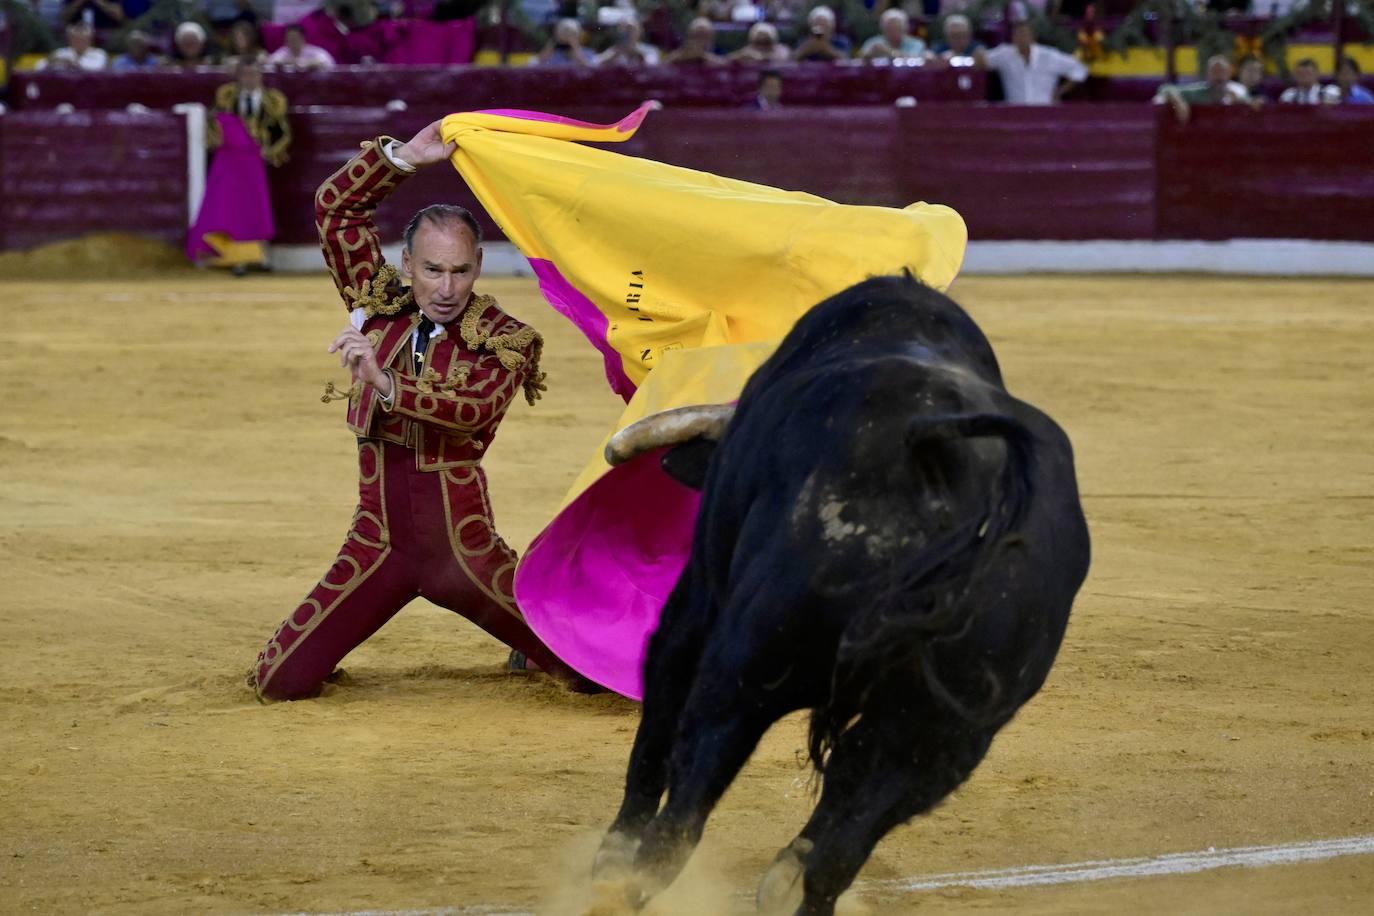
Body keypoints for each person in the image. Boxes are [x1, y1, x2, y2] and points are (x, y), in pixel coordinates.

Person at [251, 119, 596, 701]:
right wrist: (404, 158)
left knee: (587, 674)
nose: (446, 287)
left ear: (479, 267)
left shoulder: (505, 337)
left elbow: (474, 409)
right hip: (375, 543)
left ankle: (539, 621)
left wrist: (386, 384)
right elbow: (336, 210)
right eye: (433, 269)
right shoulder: (377, 303)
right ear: (406, 264)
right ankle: (535, 624)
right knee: (280, 682)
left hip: (460, 552)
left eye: (461, 271)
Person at [982, 18, 1087, 104]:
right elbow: (980, 60)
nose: (1021, 38)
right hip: (1015, 114)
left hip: (1045, 112)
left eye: (1024, 34)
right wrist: (977, 50)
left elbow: (1080, 69)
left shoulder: (1048, 56)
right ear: (1012, 37)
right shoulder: (1004, 54)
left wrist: (1059, 92)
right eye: (1017, 34)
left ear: (1033, 36)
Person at [1152, 54, 1248, 124]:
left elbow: (1252, 102)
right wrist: (1178, 102)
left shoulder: (1238, 91)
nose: (1219, 76)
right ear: (1208, 73)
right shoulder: (1199, 91)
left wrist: (1239, 102)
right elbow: (1165, 88)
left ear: (1229, 74)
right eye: (1215, 71)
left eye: (1222, 71)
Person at [860, 9, 926, 62]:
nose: (893, 31)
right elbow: (860, 60)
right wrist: (869, 55)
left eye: (896, 28)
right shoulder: (873, 42)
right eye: (889, 28)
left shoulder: (916, 43)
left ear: (905, 29)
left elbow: (914, 60)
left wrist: (889, 52)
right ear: (882, 29)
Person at [265, 23, 337, 70]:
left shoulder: (314, 51)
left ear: (303, 38)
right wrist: (292, 62)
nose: (291, 41)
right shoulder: (283, 51)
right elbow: (272, 61)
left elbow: (325, 61)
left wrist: (307, 64)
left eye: (294, 38)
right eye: (289, 38)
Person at [595, 18, 661, 67]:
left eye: (631, 29)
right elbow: (595, 64)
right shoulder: (616, 49)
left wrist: (636, 54)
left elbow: (652, 67)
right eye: (626, 29)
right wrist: (611, 57)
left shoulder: (650, 50)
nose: (629, 32)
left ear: (639, 32)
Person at [532, 18, 596, 67]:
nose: (566, 39)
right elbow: (534, 68)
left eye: (570, 35)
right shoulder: (551, 55)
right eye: (563, 35)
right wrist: (551, 45)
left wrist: (576, 52)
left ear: (578, 37)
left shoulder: (588, 54)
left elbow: (593, 71)